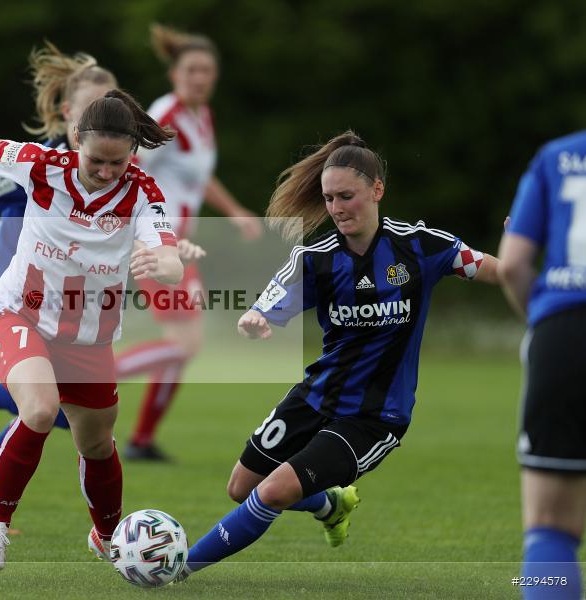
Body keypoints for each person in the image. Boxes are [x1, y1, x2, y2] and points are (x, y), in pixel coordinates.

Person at [177, 131, 501, 579]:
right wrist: (255, 321)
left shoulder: (420, 246)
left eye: (346, 196)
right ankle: (331, 504)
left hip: (374, 416)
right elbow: (264, 307)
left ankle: (176, 569)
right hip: (316, 396)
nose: (336, 208)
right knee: (241, 486)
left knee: (272, 492)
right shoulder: (315, 258)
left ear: (377, 190)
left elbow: (496, 271)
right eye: (329, 198)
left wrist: (523, 257)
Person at [0, 89, 184, 571]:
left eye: (117, 163)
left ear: (132, 155)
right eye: (97, 160)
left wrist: (163, 264)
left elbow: (169, 255)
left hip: (89, 339)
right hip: (16, 314)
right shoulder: (42, 165)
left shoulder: (142, 192)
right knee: (39, 409)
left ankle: (107, 537)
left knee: (97, 443)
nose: (106, 172)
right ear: (76, 139)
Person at [0, 43, 116, 534]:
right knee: (56, 410)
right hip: (7, 301)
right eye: (95, 107)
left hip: (54, 311)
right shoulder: (48, 164)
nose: (107, 115)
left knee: (59, 413)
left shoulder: (107, 173)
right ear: (67, 113)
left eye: (113, 104)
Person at [115, 24, 263, 461]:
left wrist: (234, 211)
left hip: (178, 246)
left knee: (183, 348)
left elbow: (198, 176)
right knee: (185, 343)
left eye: (208, 70)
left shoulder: (201, 116)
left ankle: (142, 440)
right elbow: (126, 168)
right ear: (175, 73)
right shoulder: (167, 114)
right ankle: (93, 376)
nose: (201, 77)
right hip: (159, 245)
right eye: (193, 69)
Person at [498, 130, 586, 599]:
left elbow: (512, 265)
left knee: (550, 527)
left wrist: (545, 322)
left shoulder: (557, 156)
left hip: (565, 336)